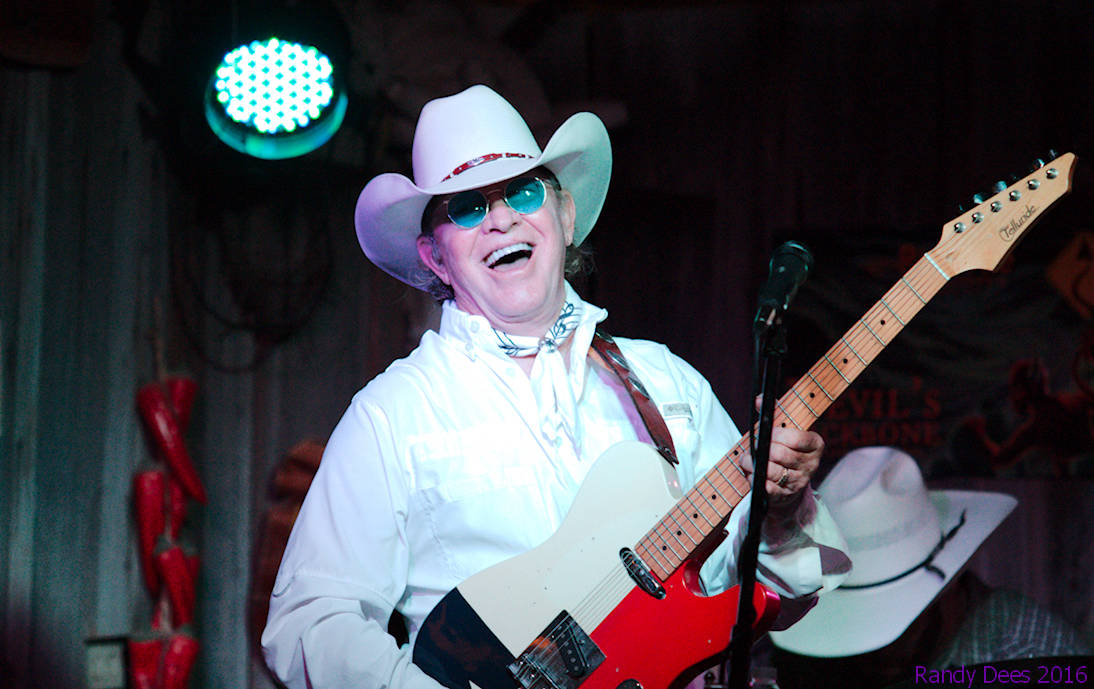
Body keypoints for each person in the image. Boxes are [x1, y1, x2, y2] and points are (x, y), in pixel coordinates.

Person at [261, 84, 851, 689]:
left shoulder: (665, 382)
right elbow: (311, 621)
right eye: (466, 207)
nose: (501, 218)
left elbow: (770, 597)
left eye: (523, 191)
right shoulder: (393, 413)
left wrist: (780, 512)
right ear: (435, 257)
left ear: (565, 218)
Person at [770, 446, 1092, 688]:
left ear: (949, 591)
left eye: (899, 623)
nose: (879, 654)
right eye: (855, 622)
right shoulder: (810, 667)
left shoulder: (1027, 656)